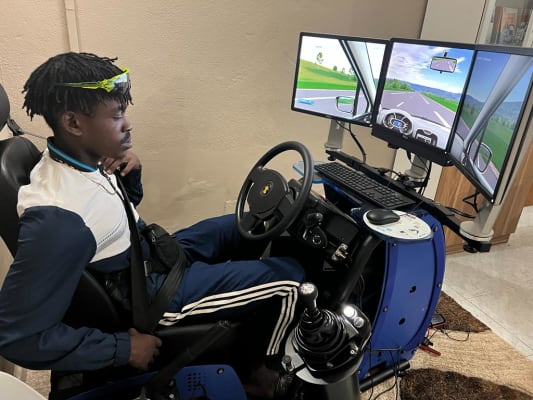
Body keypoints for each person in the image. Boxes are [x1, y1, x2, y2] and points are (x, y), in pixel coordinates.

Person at [0, 52, 305, 390]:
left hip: (153, 251)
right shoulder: (58, 220)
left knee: (254, 222)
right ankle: (263, 377)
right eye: (117, 115)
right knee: (291, 280)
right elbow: (18, 337)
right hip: (150, 294)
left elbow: (110, 217)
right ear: (73, 123)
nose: (128, 124)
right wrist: (123, 348)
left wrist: (131, 173)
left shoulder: (74, 156)